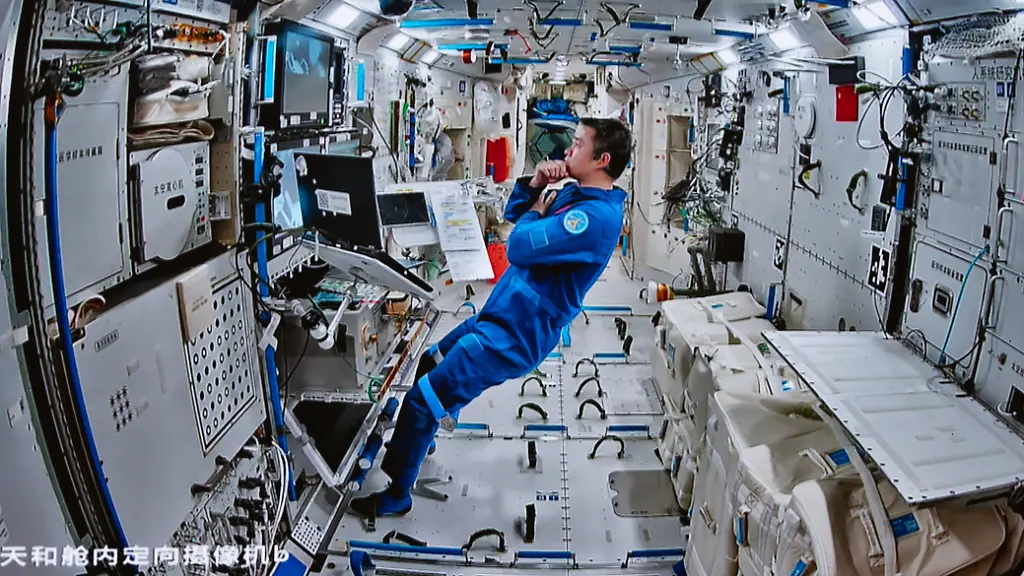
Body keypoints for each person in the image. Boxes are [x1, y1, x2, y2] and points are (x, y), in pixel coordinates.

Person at [350, 117, 633, 518]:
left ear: (601, 159)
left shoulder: (592, 220)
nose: (568, 150)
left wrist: (537, 211)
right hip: (500, 314)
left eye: (578, 144)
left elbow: (517, 246)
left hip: (516, 334)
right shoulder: (575, 194)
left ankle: (397, 494)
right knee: (430, 360)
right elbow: (516, 214)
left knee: (419, 400)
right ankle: (422, 438)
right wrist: (535, 186)